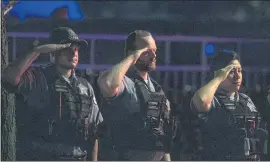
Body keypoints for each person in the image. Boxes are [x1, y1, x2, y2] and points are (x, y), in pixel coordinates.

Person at [2, 27, 103, 161]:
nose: (73, 54)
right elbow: (9, 78)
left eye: (76, 49)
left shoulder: (85, 86)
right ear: (53, 51)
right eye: (67, 48)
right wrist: (36, 51)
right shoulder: (38, 78)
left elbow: (94, 130)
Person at [97, 30, 174, 161]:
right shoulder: (125, 82)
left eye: (154, 50)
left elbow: (162, 134)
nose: (153, 55)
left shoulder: (157, 89)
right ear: (132, 53)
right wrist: (133, 57)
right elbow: (108, 83)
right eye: (147, 51)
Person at [190, 50, 268, 160]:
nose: (237, 76)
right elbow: (201, 102)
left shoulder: (246, 100)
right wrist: (218, 78)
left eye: (239, 71)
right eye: (231, 71)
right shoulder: (213, 99)